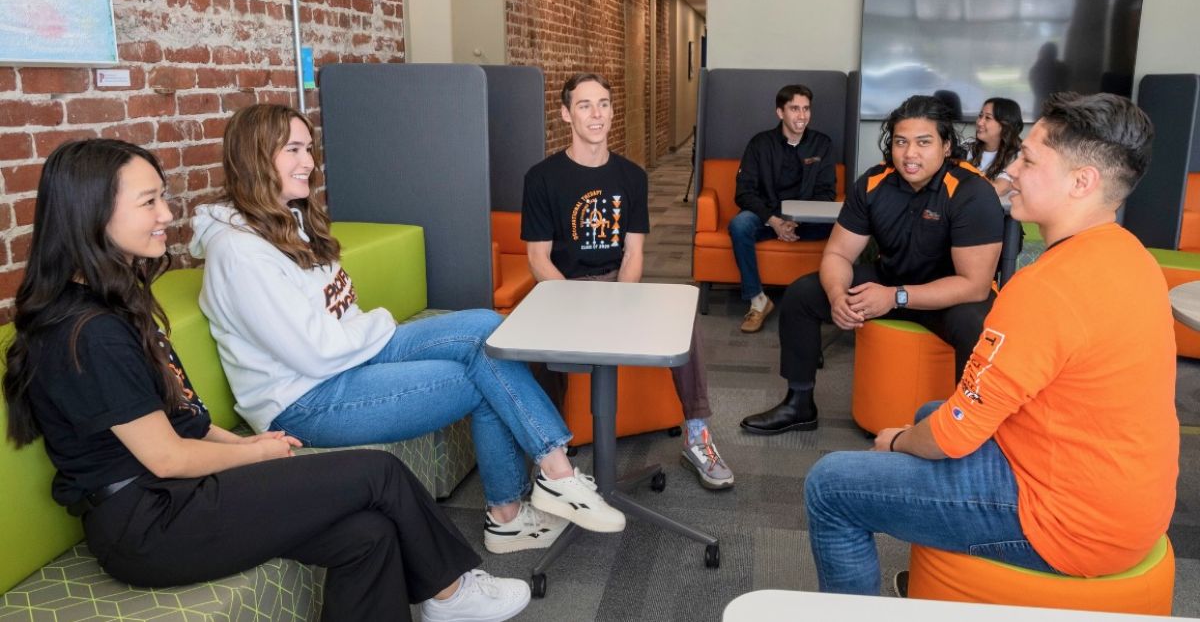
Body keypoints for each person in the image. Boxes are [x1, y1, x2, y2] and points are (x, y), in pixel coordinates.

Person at [3, 139, 531, 622]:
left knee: (366, 536)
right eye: (149, 203)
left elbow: (181, 417)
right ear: (92, 214)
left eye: (163, 198)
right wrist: (254, 455)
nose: (167, 215)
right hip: (150, 523)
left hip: (176, 496)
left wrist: (245, 441)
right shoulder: (87, 332)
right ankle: (449, 593)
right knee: (379, 475)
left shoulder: (113, 304)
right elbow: (167, 457)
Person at [190, 104, 626, 558]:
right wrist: (380, 323)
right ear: (257, 158)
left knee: (489, 329)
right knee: (483, 377)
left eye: (309, 149)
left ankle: (552, 478)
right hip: (305, 398)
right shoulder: (239, 254)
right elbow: (313, 354)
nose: (310, 163)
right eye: (294, 150)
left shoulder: (288, 220)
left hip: (350, 357)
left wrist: (369, 327)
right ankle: (522, 507)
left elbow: (336, 323)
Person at [803, 92, 1177, 595]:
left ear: (1082, 182)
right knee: (929, 411)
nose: (1013, 171)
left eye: (1029, 159)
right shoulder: (1133, 257)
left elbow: (952, 437)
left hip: (1070, 525)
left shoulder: (1044, 288)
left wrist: (893, 443)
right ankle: (955, 563)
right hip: (1126, 497)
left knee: (831, 486)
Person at [741, 95, 1005, 435]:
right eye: (901, 142)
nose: (910, 154)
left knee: (980, 323)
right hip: (890, 279)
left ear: (946, 145)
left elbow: (975, 284)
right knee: (803, 294)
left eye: (924, 143)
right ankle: (799, 403)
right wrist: (837, 296)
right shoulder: (874, 182)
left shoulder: (972, 192)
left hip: (949, 295)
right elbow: (837, 254)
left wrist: (896, 296)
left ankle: (966, 427)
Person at [521, 73, 734, 490]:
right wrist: (574, 302)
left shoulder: (632, 176)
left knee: (685, 320)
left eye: (603, 104)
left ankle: (696, 434)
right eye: (584, 105)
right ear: (566, 114)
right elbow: (537, 259)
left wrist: (618, 301)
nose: (596, 114)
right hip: (562, 286)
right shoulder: (542, 178)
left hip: (621, 285)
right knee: (534, 340)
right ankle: (551, 454)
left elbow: (634, 253)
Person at [730, 84, 838, 333]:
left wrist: (796, 219)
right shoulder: (760, 144)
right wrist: (775, 221)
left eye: (806, 109)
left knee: (849, 226)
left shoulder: (822, 144)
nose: (802, 116)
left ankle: (833, 300)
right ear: (780, 112)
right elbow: (744, 192)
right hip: (766, 219)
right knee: (739, 224)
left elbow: (827, 193)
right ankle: (758, 301)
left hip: (806, 222)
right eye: (794, 109)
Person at [966, 97, 1024, 196]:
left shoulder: (1018, 156)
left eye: (988, 118)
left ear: (1005, 124)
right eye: (980, 116)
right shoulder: (968, 145)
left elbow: (997, 189)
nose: (979, 122)